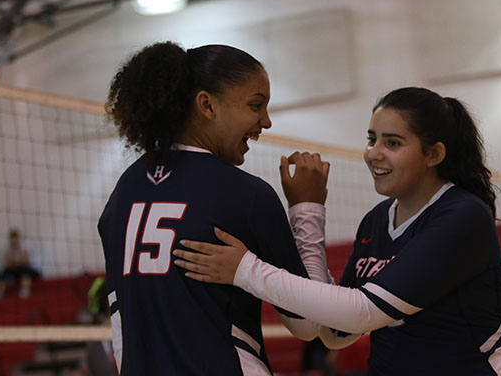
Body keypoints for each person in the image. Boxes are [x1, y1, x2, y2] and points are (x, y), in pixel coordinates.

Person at [174, 87, 501, 375]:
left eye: (392, 143)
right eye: (371, 138)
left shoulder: (462, 215)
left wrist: (245, 270)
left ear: (434, 154)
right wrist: (307, 210)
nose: (373, 153)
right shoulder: (375, 221)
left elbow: (363, 311)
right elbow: (333, 330)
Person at [98, 42, 331, 375]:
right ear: (207, 104)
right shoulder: (246, 194)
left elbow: (119, 317)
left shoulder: (123, 191)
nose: (265, 121)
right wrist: (307, 207)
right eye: (256, 105)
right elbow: (308, 323)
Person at [0, 228, 39, 301]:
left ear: (18, 238)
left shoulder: (25, 246)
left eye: (15, 238)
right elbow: (7, 264)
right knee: (3, 274)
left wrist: (14, 262)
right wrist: (17, 262)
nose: (13, 240)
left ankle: (25, 291)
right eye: (12, 239)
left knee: (25, 273)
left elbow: (26, 261)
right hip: (13, 269)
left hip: (25, 269)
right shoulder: (8, 248)